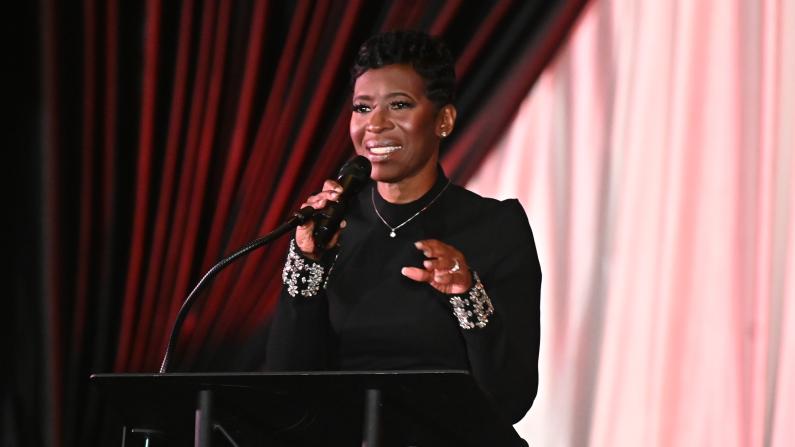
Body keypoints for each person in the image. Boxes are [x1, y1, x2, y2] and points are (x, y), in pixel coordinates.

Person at [266, 30, 541, 444]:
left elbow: (511, 397)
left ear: (444, 120)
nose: (375, 124)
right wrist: (306, 263)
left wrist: (466, 294)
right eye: (362, 107)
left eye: (399, 104)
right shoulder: (331, 230)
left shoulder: (495, 226)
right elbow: (285, 392)